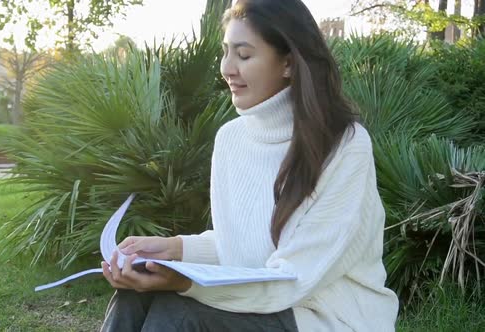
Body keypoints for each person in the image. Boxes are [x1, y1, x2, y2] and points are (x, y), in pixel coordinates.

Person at [100, 0, 399, 331]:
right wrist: (175, 249)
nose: (227, 67)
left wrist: (184, 283)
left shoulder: (344, 146)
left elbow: (290, 278)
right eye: (225, 52)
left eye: (243, 55)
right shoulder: (231, 139)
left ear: (287, 63)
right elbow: (245, 249)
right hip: (264, 302)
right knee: (134, 295)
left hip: (326, 316)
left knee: (179, 313)